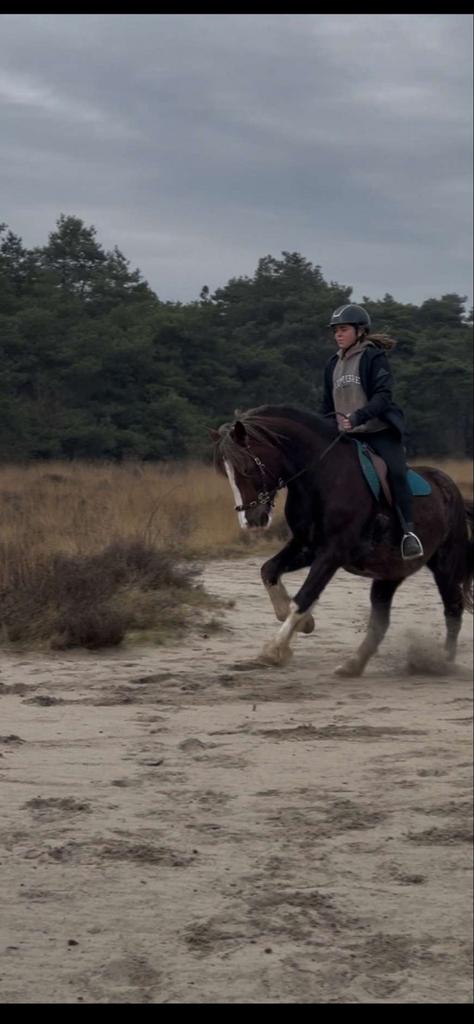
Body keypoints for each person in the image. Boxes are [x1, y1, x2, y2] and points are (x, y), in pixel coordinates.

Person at [321, 303, 424, 560]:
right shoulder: (332, 364)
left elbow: (383, 397)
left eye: (343, 329)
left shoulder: (373, 357)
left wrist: (357, 416)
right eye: (335, 330)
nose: (338, 334)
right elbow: (326, 405)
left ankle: (408, 534)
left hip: (378, 432)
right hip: (346, 436)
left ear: (360, 331)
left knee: (397, 472)